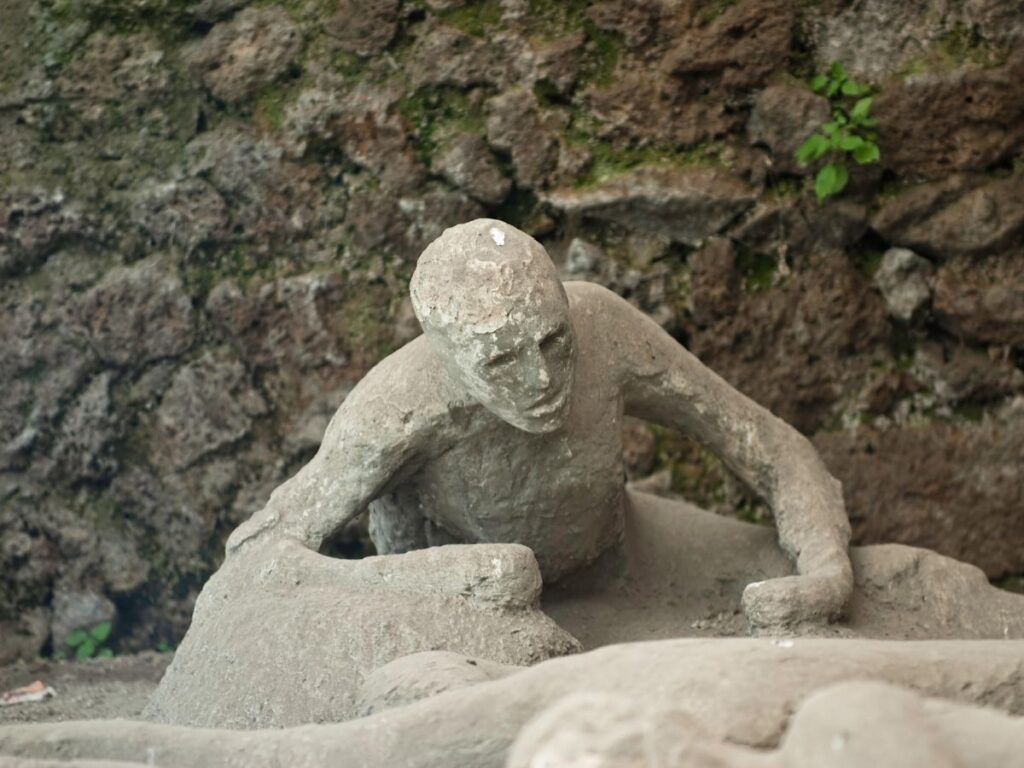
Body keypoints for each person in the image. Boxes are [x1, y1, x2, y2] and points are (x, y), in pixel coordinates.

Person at [227, 218, 853, 630]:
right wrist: (440, 579)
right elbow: (260, 556)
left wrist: (826, 566)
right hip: (462, 626)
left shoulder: (602, 326)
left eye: (554, 340)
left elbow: (766, 441)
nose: (542, 378)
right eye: (502, 361)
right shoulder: (395, 409)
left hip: (625, 567)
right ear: (449, 360)